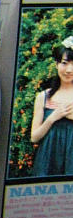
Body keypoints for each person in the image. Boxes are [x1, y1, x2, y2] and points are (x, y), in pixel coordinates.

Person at [31, 40, 73, 177]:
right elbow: (34, 137)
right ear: (56, 64)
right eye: (64, 63)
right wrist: (53, 117)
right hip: (47, 162)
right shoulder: (43, 97)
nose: (69, 70)